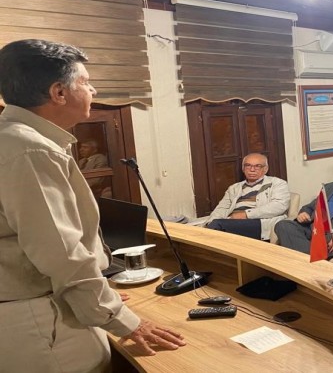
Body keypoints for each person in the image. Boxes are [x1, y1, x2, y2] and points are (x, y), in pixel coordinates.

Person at [0, 39, 184, 372]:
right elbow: (62, 253)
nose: (93, 90)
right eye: (85, 82)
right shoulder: (31, 150)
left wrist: (99, 297)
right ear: (59, 92)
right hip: (41, 322)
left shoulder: (10, 137)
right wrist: (123, 319)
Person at [204, 153, 290, 241]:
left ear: (265, 169)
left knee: (217, 227)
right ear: (243, 168)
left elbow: (279, 206)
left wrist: (246, 214)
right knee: (209, 228)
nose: (252, 169)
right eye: (248, 165)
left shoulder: (277, 183)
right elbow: (222, 208)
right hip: (231, 221)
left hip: (259, 222)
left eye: (257, 166)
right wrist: (209, 223)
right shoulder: (234, 188)